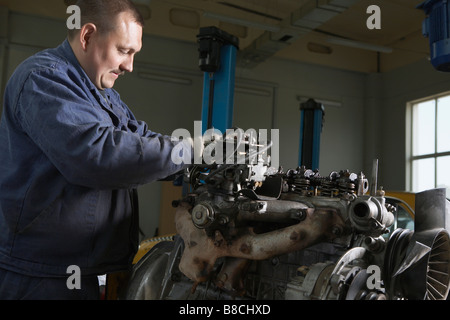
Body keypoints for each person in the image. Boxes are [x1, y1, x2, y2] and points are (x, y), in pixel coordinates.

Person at [0, 0, 191, 299]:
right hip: (43, 273)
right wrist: (190, 152)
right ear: (87, 36)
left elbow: (140, 139)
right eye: (124, 51)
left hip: (88, 267)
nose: (129, 65)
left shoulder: (104, 94)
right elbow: (96, 155)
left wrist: (207, 155)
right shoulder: (43, 78)